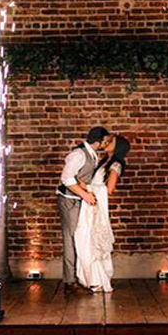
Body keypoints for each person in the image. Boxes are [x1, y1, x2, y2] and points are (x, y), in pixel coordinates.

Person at [57, 126, 112, 294]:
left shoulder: (92, 155)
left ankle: (79, 278)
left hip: (80, 201)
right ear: (98, 141)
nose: (107, 143)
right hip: (69, 201)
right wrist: (85, 195)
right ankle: (69, 282)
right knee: (71, 239)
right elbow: (66, 178)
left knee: (80, 239)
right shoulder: (78, 155)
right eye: (105, 141)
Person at [74, 135, 130, 293]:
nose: (106, 143)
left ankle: (96, 279)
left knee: (91, 240)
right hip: (90, 201)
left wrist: (88, 189)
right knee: (84, 237)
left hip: (95, 204)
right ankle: (88, 278)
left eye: (110, 142)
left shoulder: (116, 164)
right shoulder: (104, 161)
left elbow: (109, 189)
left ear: (118, 146)